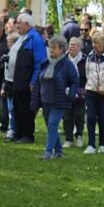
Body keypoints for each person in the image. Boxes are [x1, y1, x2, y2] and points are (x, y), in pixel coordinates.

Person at [38, 30, 83, 159]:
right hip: (46, 99)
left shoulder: (67, 64)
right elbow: (39, 79)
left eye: (54, 48)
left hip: (60, 101)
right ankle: (58, 151)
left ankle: (48, 152)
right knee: (51, 127)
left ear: (61, 50)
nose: (51, 50)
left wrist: (71, 94)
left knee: (52, 124)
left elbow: (75, 81)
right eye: (50, 47)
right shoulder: (45, 63)